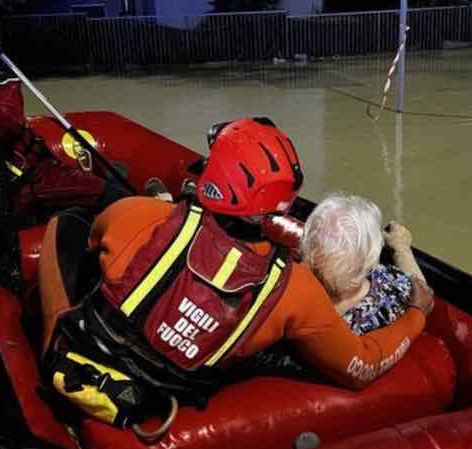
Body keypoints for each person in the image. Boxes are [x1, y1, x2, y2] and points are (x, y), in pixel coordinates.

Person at [38, 117, 434, 419]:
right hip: (166, 393)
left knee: (67, 222)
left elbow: (92, 245)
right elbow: (361, 366)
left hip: (90, 356)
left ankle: (52, 343)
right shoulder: (294, 288)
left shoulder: (136, 214)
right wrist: (417, 314)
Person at [243, 192, 429, 378]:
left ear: (305, 251)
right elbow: (423, 292)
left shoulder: (286, 288)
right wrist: (401, 248)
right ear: (370, 262)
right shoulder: (395, 294)